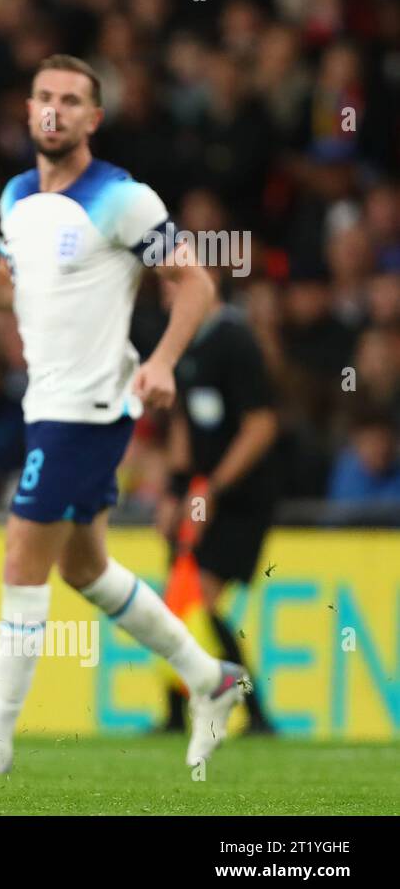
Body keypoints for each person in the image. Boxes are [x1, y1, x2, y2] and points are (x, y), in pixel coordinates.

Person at [0, 54, 246, 776]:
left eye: (71, 100)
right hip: (48, 402)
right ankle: (210, 678)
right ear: (28, 108)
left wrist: (160, 362)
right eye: (43, 97)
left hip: (92, 405)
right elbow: (25, 283)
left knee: (21, 555)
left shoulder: (122, 198)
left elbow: (196, 284)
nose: (54, 110)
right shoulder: (13, 196)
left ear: (94, 118)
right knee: (86, 567)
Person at [156, 269, 280, 734]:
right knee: (181, 600)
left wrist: (211, 489)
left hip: (241, 495)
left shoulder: (236, 341)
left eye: (173, 282)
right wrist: (174, 489)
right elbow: (184, 424)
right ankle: (177, 713)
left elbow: (262, 425)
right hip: (200, 491)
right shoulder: (185, 341)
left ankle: (254, 710)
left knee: (199, 598)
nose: (165, 292)